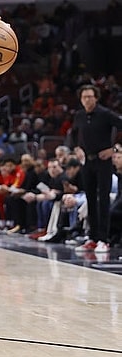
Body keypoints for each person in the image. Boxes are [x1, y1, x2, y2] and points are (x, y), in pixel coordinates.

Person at [67, 84, 122, 253]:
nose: (87, 100)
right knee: (90, 199)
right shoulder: (79, 115)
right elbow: (73, 134)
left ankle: (103, 240)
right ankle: (92, 237)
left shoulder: (105, 114)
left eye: (90, 97)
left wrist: (114, 149)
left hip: (103, 161)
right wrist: (76, 148)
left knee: (103, 200)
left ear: (96, 98)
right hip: (87, 162)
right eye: (84, 97)